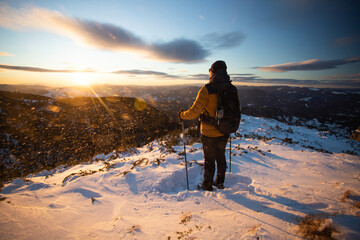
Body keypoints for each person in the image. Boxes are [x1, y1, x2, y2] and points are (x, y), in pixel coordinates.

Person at [179, 60, 230, 191]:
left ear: (212, 72)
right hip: (224, 131)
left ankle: (207, 185)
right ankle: (220, 182)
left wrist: (181, 115)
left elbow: (194, 112)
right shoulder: (230, 88)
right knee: (221, 157)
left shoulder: (207, 89)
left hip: (209, 133)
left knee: (210, 160)